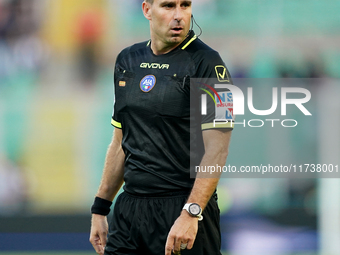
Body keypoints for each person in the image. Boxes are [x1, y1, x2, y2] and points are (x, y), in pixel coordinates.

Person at [89, 0, 234, 254]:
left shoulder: (211, 65)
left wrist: (191, 214)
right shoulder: (127, 61)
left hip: (182, 208)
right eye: (168, 6)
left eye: (185, 5)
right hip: (130, 212)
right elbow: (120, 143)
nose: (179, 15)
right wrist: (100, 208)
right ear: (147, 10)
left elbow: (218, 150)